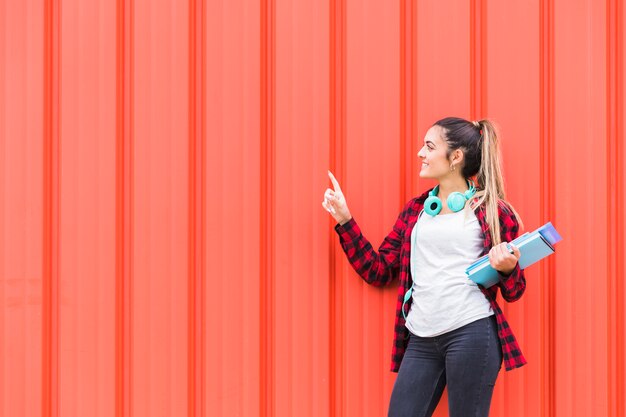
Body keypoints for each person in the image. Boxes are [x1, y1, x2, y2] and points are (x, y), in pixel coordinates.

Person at [322, 117, 527, 417]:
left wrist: (508, 268)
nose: (420, 153)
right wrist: (344, 220)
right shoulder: (416, 211)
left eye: (429, 147)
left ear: (455, 157)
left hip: (471, 331)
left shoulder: (491, 211)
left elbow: (515, 290)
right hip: (420, 337)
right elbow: (377, 270)